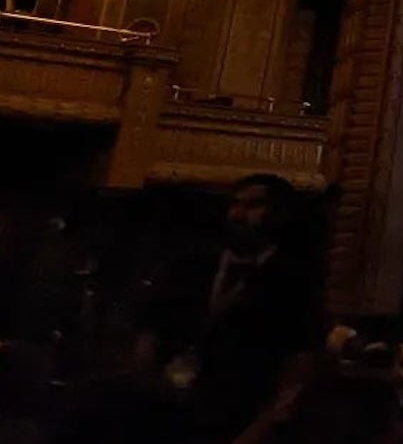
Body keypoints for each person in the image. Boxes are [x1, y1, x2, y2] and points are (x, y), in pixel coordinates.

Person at [137, 173, 322, 440]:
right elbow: (152, 328)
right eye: (235, 204)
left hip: (241, 415)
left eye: (254, 205)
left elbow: (300, 359)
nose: (238, 214)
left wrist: (264, 426)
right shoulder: (194, 266)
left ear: (280, 214)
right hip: (173, 409)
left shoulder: (293, 279)